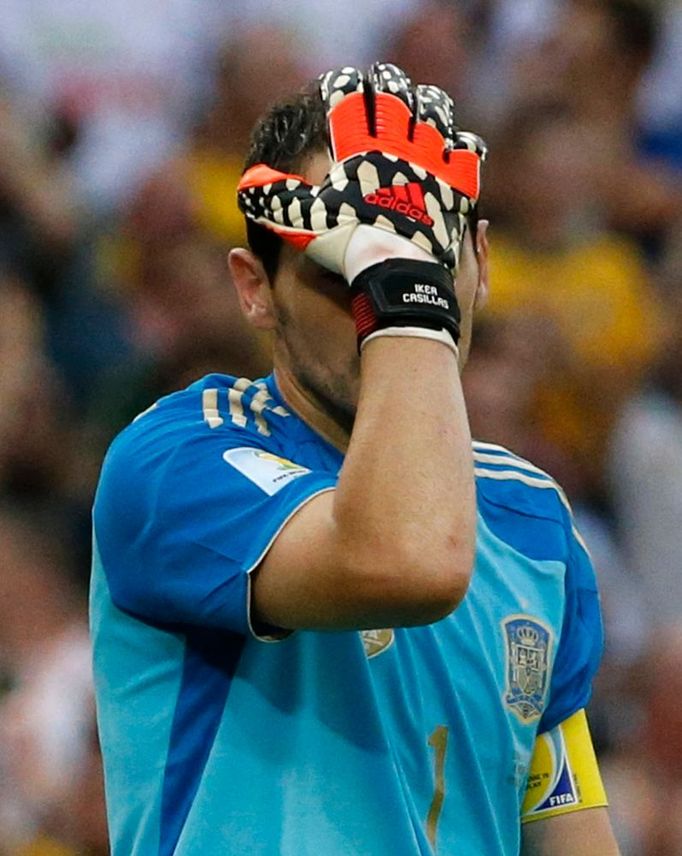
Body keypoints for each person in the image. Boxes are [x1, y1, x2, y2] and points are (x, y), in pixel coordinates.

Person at [90, 63, 619, 855]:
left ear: (479, 261)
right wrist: (408, 286)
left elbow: (569, 831)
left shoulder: (533, 520)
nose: (384, 304)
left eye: (428, 252)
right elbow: (407, 559)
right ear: (254, 287)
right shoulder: (174, 459)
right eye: (347, 263)